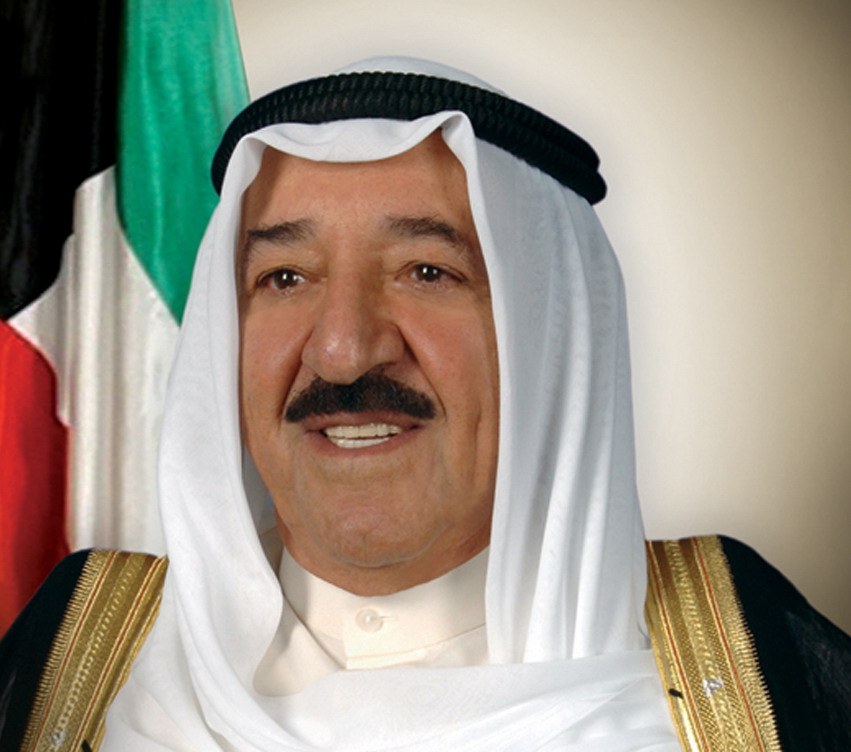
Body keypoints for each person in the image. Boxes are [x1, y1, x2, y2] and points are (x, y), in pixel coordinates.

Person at [1, 57, 849, 752]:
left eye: (427, 272)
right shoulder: (68, 671)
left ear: (551, 340)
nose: (343, 349)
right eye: (284, 278)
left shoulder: (755, 679)